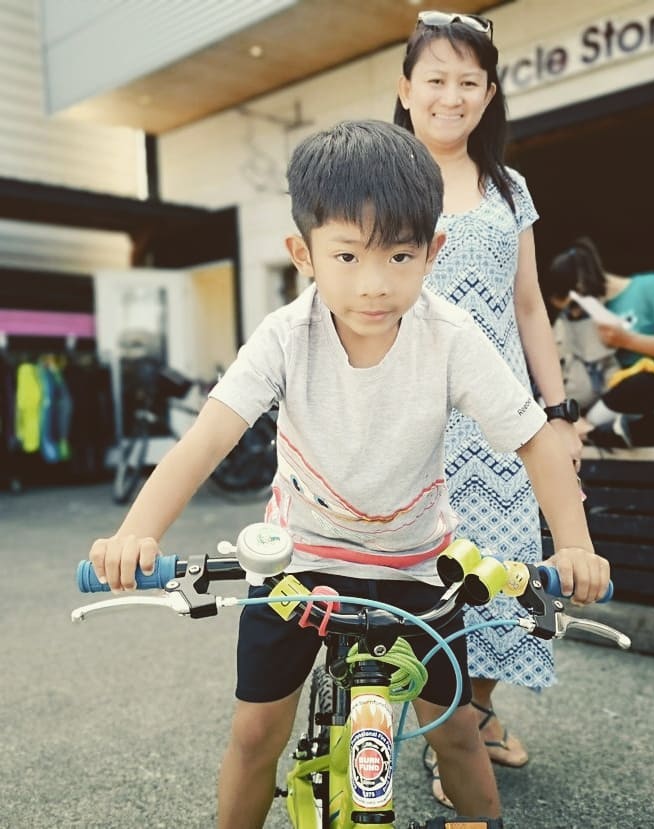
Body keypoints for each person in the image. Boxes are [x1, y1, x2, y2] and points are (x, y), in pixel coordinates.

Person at [87, 120, 609, 829]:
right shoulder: (283, 335)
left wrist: (572, 545)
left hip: (417, 566)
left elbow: (536, 442)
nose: (375, 284)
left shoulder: (450, 336)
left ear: (434, 250)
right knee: (253, 733)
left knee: (456, 730)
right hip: (299, 561)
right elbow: (207, 437)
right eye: (347, 255)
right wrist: (135, 534)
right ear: (303, 254)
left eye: (400, 256)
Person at [393, 11, 581, 803]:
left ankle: (478, 711)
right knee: (430, 579)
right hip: (414, 417)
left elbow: (530, 307)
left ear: (489, 92)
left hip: (501, 426)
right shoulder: (386, 180)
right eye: (434, 79)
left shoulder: (510, 186)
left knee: (500, 576)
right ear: (405, 91)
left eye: (467, 81)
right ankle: (450, 734)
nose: (450, 95)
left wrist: (558, 410)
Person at [546, 237, 654, 447]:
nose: (574, 312)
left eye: (574, 306)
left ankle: (596, 431)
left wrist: (628, 340)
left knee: (644, 383)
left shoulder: (651, 288)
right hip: (610, 398)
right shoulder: (579, 319)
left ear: (581, 288)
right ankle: (597, 431)